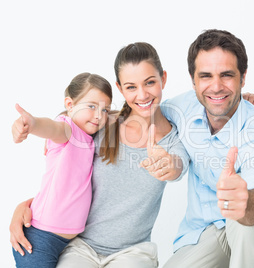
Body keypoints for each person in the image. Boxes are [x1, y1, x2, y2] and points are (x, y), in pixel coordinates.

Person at [10, 42, 189, 268]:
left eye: (150, 82)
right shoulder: (101, 124)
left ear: (163, 78)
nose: (142, 94)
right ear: (120, 88)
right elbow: (61, 145)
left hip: (133, 252)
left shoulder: (174, 140)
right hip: (81, 247)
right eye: (131, 87)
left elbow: (177, 167)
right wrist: (23, 207)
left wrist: (168, 166)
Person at [162, 29, 254, 268]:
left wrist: (246, 200)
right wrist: (77, 121)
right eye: (206, 76)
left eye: (227, 75)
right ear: (193, 80)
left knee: (240, 221)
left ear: (243, 78)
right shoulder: (184, 106)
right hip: (205, 231)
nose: (216, 86)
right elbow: (144, 111)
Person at [11, 72, 113, 267]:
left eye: (105, 109)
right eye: (91, 106)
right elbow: (51, 127)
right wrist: (32, 124)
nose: (99, 115)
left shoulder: (88, 137)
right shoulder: (69, 131)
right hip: (40, 238)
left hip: (66, 242)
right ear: (70, 105)